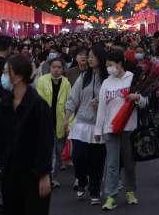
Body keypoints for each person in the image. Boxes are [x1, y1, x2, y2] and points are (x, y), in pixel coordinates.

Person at [0, 54, 54, 215]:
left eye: (6, 72)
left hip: (33, 174)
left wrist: (44, 175)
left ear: (18, 75)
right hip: (9, 173)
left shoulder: (38, 105)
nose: (3, 76)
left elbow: (45, 142)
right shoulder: (4, 105)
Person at [94, 50, 147, 211]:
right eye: (107, 65)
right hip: (110, 128)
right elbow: (102, 108)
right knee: (112, 163)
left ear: (119, 64)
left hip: (129, 128)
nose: (109, 68)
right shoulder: (106, 83)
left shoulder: (132, 79)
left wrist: (137, 98)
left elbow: (145, 102)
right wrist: (98, 130)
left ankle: (130, 191)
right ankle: (111, 196)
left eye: (111, 65)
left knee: (129, 162)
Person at [64, 45, 108, 205]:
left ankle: (95, 190)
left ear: (101, 58)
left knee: (97, 161)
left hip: (100, 126)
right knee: (78, 157)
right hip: (81, 124)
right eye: (88, 56)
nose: (89, 59)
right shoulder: (84, 77)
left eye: (92, 56)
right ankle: (81, 180)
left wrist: (103, 105)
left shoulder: (108, 79)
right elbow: (73, 98)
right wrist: (66, 117)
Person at [36, 57, 71, 185]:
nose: (56, 70)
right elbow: (39, 101)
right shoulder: (42, 81)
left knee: (58, 150)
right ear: (49, 68)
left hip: (61, 121)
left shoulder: (66, 83)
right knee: (48, 151)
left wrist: (69, 122)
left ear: (63, 69)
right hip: (46, 120)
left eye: (59, 67)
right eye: (53, 67)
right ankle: (47, 176)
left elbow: (69, 103)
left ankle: (54, 177)